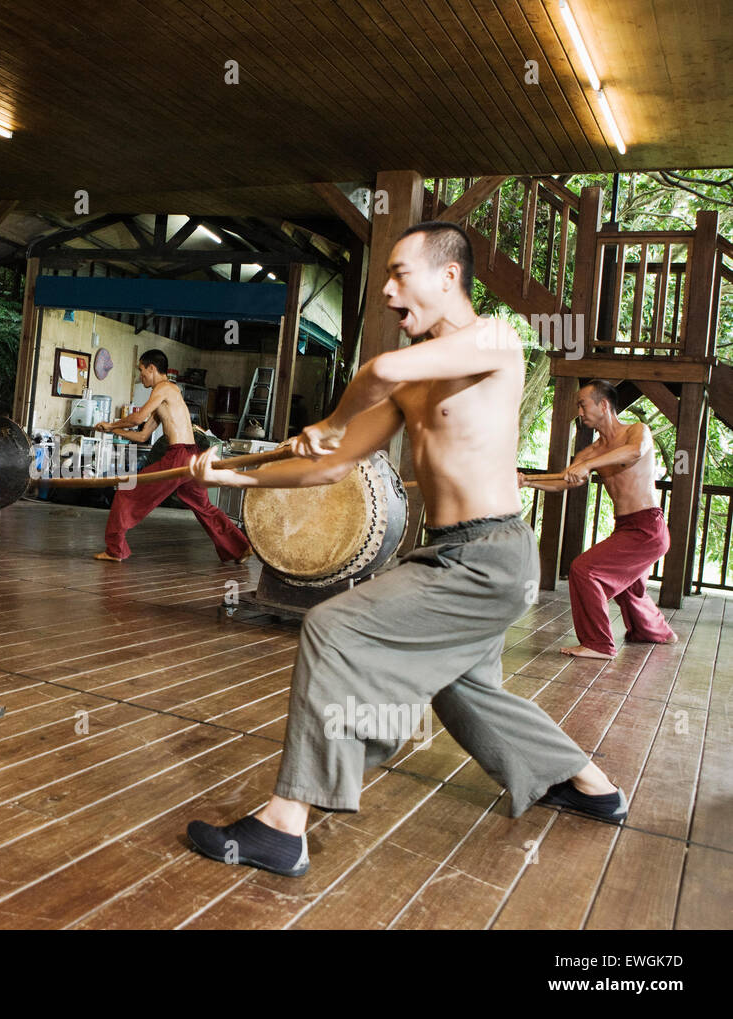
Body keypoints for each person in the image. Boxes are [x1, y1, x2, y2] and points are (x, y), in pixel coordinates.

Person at [184, 221, 628, 879]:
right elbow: (328, 467)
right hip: (449, 553)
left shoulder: (494, 340)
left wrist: (332, 417)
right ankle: (591, 784)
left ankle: (284, 825)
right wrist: (231, 475)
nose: (388, 293)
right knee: (465, 691)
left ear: (449, 275)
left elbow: (378, 370)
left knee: (334, 628)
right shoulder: (411, 384)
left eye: (399, 274)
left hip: (489, 556)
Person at [521, 380, 677, 659]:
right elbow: (564, 481)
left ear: (603, 405)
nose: (579, 411)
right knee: (630, 588)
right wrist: (527, 481)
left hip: (648, 527)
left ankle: (598, 644)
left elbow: (634, 453)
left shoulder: (635, 431)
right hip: (626, 528)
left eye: (583, 404)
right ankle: (657, 632)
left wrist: (588, 465)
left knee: (584, 570)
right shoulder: (592, 451)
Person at [94, 349, 252, 564]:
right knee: (204, 507)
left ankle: (115, 550)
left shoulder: (164, 388)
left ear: (152, 368)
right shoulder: (167, 396)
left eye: (142, 371)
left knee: (125, 490)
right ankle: (240, 548)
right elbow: (142, 436)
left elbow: (138, 417)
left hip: (178, 456)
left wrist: (112, 423)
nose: (141, 377)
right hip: (190, 456)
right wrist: (113, 431)